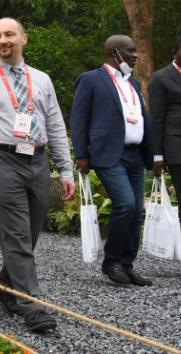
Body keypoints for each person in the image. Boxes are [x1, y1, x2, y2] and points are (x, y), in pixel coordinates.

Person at [0, 17, 75, 333]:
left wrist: (65, 169)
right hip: (0, 160)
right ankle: (32, 305)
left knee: (31, 231)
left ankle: (7, 285)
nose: (2, 40)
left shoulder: (42, 80)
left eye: (9, 34)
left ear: (24, 38)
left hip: (37, 161)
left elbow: (54, 126)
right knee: (17, 234)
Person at [71, 35, 153, 286]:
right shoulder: (91, 79)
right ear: (114, 52)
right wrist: (82, 154)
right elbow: (78, 118)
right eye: (131, 51)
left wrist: (153, 155)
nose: (136, 55)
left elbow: (142, 118)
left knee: (137, 211)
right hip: (108, 154)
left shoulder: (134, 84)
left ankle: (127, 265)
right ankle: (111, 262)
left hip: (135, 155)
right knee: (126, 204)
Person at [148, 36, 181, 217]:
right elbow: (157, 118)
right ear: (174, 52)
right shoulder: (160, 78)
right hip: (176, 147)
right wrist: (157, 154)